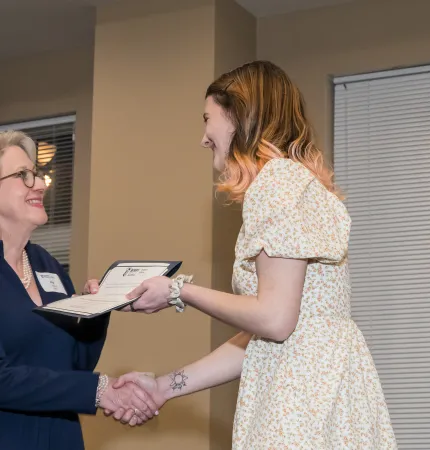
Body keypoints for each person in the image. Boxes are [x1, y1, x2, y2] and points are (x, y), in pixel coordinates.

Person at [108, 61, 398, 448]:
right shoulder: (299, 182)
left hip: (299, 406)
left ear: (238, 117)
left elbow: (275, 321)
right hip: (329, 395)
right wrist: (163, 387)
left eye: (207, 118)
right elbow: (268, 336)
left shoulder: (274, 183)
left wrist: (179, 291)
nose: (203, 136)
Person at [0, 131, 158, 450]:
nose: (41, 184)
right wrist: (99, 391)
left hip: (63, 437)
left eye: (38, 174)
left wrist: (95, 312)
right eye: (23, 176)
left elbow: (76, 364)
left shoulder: (48, 265)